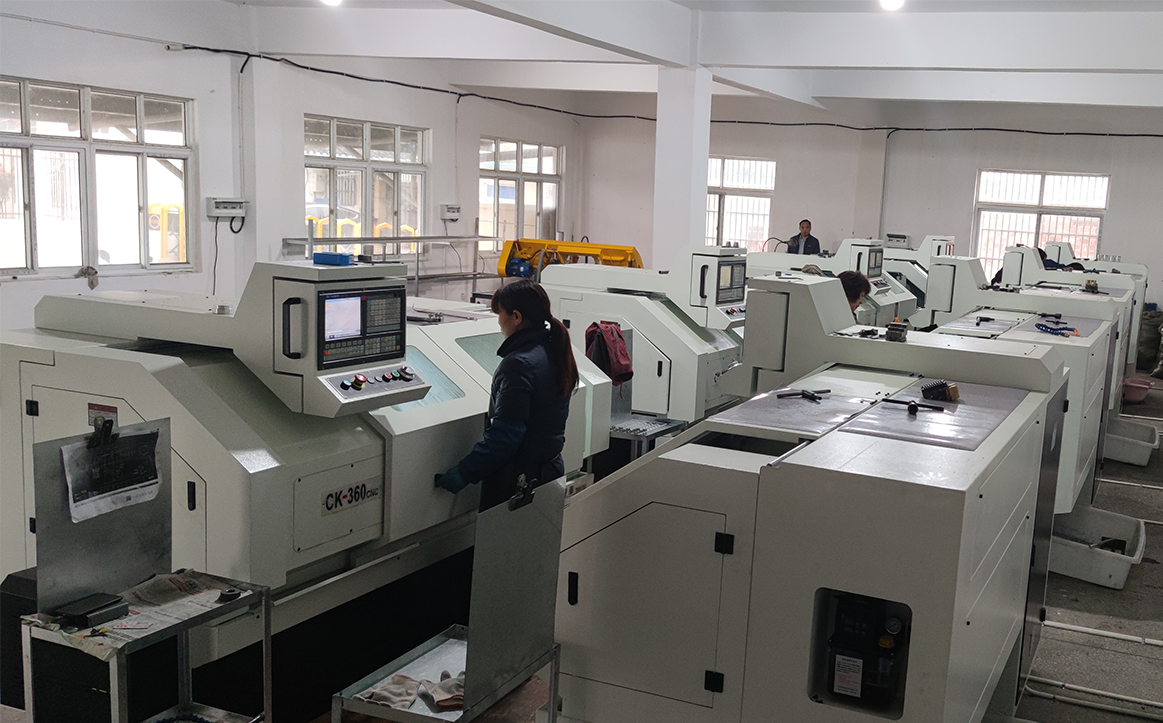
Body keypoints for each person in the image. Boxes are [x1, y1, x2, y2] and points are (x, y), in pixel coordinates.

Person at [436, 280, 578, 510]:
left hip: (518, 481)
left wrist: (464, 472)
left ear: (516, 317)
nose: (499, 322)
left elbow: (506, 436)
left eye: (500, 314)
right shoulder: (552, 350)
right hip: (549, 473)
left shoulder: (519, 365)